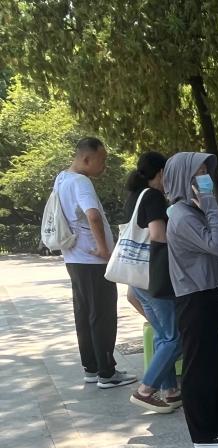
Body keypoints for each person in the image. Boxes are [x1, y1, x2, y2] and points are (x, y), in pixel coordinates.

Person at [165, 152, 218, 448]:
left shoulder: (190, 210)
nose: (205, 178)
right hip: (194, 298)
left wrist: (212, 212)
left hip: (207, 293)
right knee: (199, 366)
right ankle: (203, 433)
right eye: (198, 173)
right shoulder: (183, 215)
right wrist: (210, 203)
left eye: (205, 172)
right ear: (184, 178)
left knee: (212, 364)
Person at [53, 137, 136, 389]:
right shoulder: (81, 182)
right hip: (92, 259)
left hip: (74, 258)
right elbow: (93, 215)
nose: (104, 166)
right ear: (87, 159)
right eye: (102, 160)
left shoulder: (62, 178)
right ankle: (107, 372)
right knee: (102, 315)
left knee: (84, 314)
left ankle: (91, 368)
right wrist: (103, 249)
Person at [122, 152, 181, 413]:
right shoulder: (153, 196)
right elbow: (158, 235)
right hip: (154, 276)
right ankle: (146, 390)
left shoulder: (134, 196)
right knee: (174, 338)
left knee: (163, 335)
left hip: (138, 277)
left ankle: (170, 391)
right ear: (161, 172)